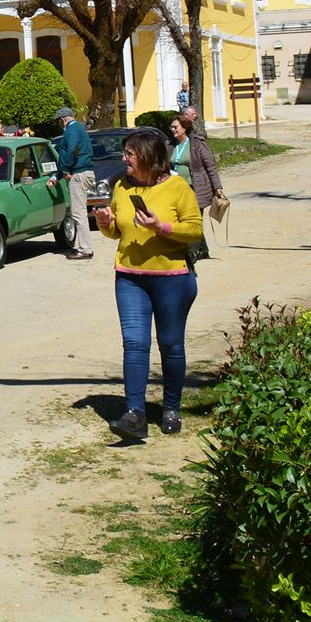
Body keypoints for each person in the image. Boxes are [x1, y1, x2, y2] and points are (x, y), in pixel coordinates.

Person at [93, 128, 203, 440]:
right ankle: (135, 413)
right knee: (135, 344)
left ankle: (171, 407)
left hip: (172, 278)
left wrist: (162, 227)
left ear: (149, 158)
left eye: (129, 153)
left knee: (170, 344)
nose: (124, 158)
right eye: (125, 153)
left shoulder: (178, 188)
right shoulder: (122, 186)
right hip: (129, 277)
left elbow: (194, 230)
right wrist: (105, 223)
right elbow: (118, 231)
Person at [177, 108, 226, 261]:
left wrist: (217, 186)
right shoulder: (171, 145)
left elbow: (210, 165)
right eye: (171, 127)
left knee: (193, 219)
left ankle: (191, 254)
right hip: (178, 188)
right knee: (190, 219)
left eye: (175, 127)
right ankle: (203, 250)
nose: (172, 130)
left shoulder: (197, 143)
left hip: (196, 187)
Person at [55, 106, 96, 260]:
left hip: (78, 173)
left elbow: (71, 150)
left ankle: (85, 249)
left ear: (62, 119)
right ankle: (85, 247)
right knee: (80, 212)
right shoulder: (79, 128)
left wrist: (64, 170)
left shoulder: (71, 130)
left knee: (78, 213)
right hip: (85, 171)